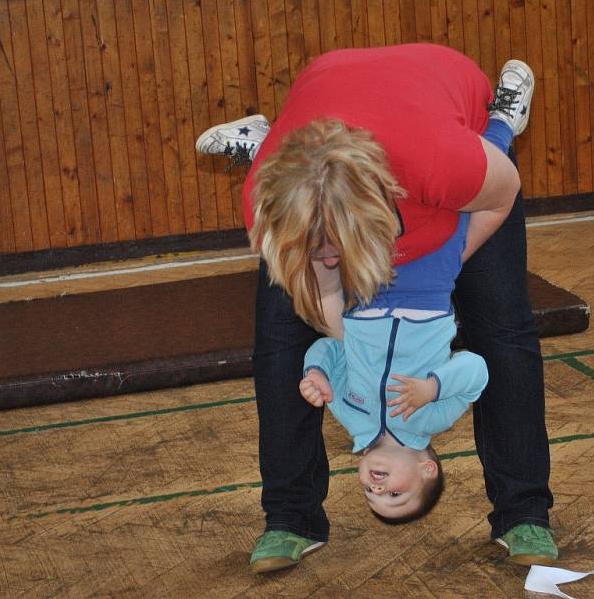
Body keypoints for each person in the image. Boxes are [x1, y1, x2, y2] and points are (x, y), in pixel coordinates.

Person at [196, 43, 556, 573]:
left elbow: (501, 195)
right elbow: (322, 315)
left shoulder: (440, 162)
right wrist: (339, 336)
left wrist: (448, 265)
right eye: (317, 249)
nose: (327, 257)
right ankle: (290, 517)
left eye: (333, 248)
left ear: (378, 213)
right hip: (324, 115)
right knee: (279, 340)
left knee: (501, 328)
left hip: (452, 160)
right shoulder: (270, 200)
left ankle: (523, 511)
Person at [300, 212, 488, 523]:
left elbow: (332, 349)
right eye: (394, 495)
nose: (376, 487)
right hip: (427, 291)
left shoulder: (350, 416)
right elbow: (476, 370)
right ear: (427, 470)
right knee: (433, 212)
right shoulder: (434, 417)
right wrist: (432, 388)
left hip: (364, 292)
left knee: (374, 209)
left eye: (370, 494)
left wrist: (315, 372)